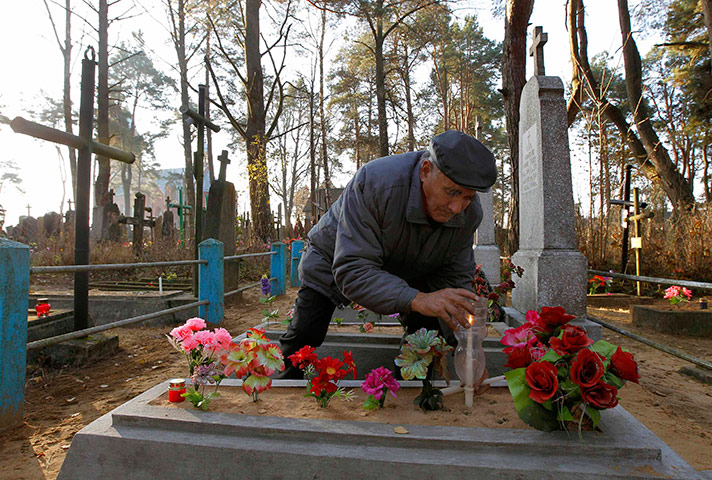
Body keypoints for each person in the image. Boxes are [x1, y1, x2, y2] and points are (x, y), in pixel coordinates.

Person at [278, 130, 497, 379]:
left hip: (412, 268)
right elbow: (352, 269)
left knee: (425, 337)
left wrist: (470, 352)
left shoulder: (468, 214)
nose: (457, 208)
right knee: (305, 336)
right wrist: (419, 299)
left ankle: (407, 395)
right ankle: (281, 389)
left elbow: (455, 278)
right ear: (426, 171)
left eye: (468, 197)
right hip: (334, 258)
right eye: (452, 192)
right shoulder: (376, 183)